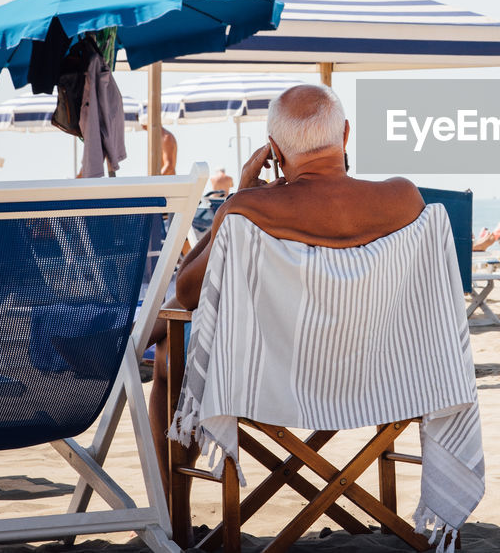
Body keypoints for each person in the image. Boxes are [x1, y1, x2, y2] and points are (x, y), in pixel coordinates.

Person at [147, 84, 423, 494]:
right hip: (382, 379)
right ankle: (130, 342)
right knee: (167, 337)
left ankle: (175, 515)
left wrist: (237, 199)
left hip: (273, 385)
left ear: (274, 151)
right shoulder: (405, 199)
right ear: (345, 134)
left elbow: (187, 292)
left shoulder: (252, 209)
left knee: (170, 346)